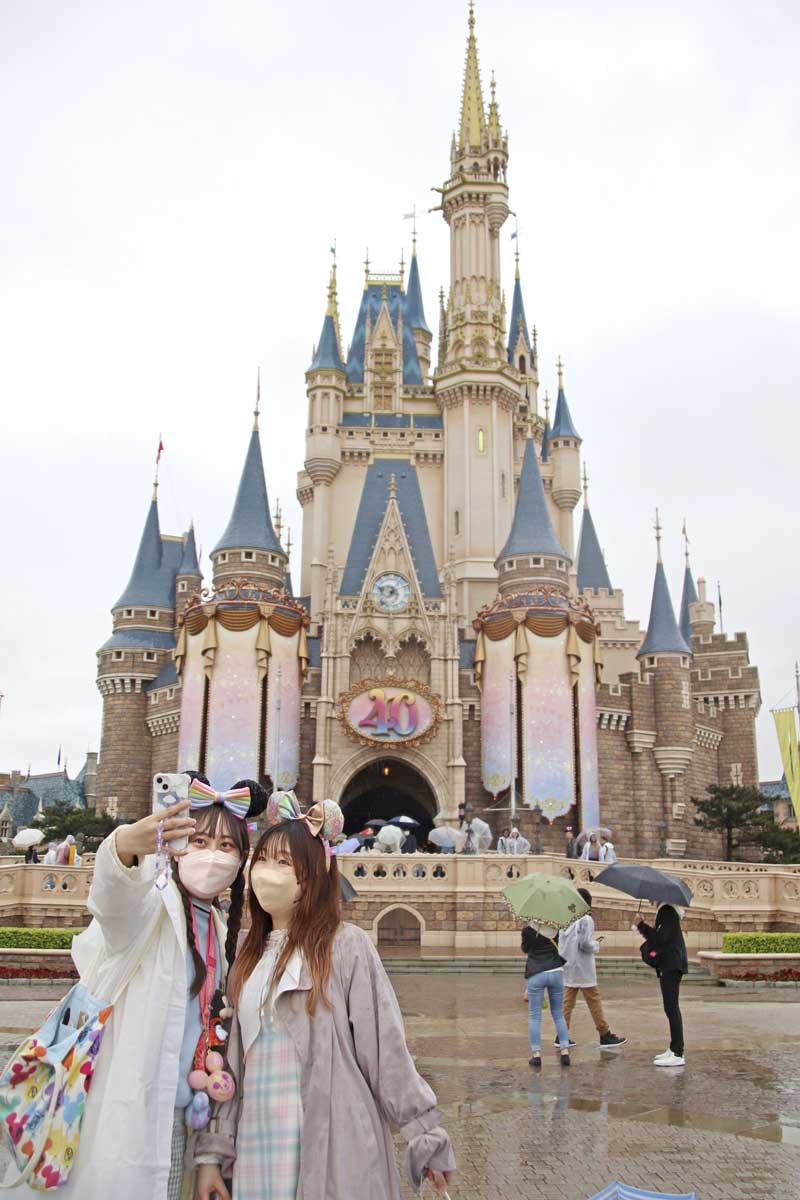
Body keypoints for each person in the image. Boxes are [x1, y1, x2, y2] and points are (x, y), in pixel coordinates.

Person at [6, 773, 260, 1200]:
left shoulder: (220, 932)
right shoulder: (150, 908)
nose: (212, 856)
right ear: (177, 847)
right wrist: (123, 846)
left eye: (226, 846)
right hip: (126, 1115)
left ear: (241, 862)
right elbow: (112, 903)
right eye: (199, 841)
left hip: (184, 1122)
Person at [192, 791, 455, 1200]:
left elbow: (386, 1050)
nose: (267, 872)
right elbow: (231, 1067)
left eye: (284, 862)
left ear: (312, 874)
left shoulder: (344, 947)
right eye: (262, 859)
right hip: (258, 1146)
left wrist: (425, 1135)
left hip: (333, 1145)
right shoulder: (246, 954)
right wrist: (213, 1154)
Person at [557, 888, 626, 1049]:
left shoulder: (567, 918)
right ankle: (604, 1033)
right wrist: (596, 944)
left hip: (569, 965)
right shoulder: (585, 919)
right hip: (583, 967)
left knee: (567, 1002)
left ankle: (561, 1034)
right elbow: (585, 944)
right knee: (594, 1000)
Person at [635, 903, 688, 1068]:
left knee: (672, 1008)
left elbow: (659, 940)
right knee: (670, 1008)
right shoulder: (665, 912)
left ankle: (678, 1053)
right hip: (669, 965)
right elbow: (661, 938)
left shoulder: (667, 911)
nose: (650, 900)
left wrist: (641, 926)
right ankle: (673, 1048)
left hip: (671, 965)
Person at [521, 922, 571, 1069]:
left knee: (535, 1016)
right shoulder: (555, 927)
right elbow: (558, 946)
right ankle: (565, 1052)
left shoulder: (528, 930)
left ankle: (536, 1055)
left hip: (536, 972)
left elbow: (525, 949)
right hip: (555, 971)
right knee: (558, 1014)